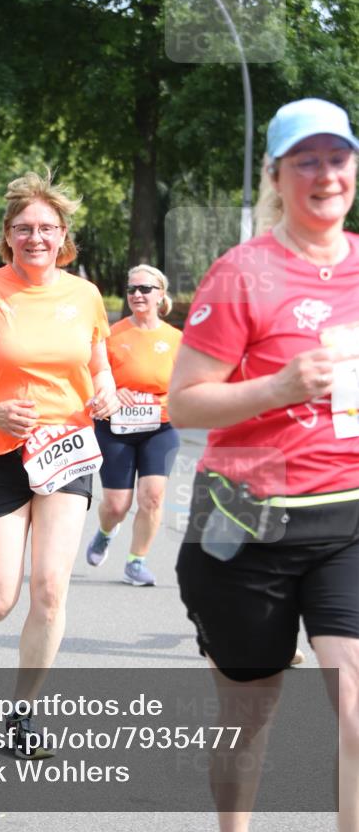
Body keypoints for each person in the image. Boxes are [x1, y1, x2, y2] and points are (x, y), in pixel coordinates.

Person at [169, 98, 359, 831]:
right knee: (249, 717)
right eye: (304, 161)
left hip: (346, 520)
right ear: (275, 175)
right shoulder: (241, 273)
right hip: (246, 523)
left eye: (336, 158)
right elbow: (183, 403)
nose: (324, 175)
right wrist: (279, 388)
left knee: (351, 707)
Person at [0, 170, 118, 757]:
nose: (36, 238)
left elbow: (99, 366)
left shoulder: (84, 295)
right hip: (1, 451)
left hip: (67, 451)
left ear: (64, 236)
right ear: (7, 236)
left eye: (47, 228)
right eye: (24, 229)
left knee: (51, 588)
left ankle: (23, 715)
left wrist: (106, 392)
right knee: (1, 595)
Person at [86, 265, 182, 585]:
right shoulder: (112, 335)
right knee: (116, 505)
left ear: (161, 296)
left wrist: (162, 402)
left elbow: (186, 386)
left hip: (161, 427)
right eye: (131, 289)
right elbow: (92, 376)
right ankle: (105, 531)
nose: (137, 295)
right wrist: (112, 390)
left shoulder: (175, 339)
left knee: (152, 496)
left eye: (145, 289)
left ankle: (136, 562)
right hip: (116, 427)